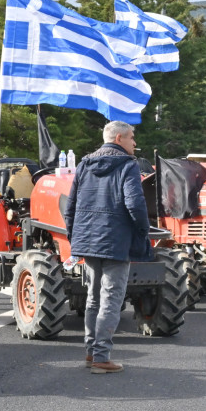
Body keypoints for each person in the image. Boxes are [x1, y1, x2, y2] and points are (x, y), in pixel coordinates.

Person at [64, 121, 153, 375]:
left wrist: (75, 237)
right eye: (131, 138)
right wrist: (142, 232)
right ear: (118, 139)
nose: (134, 143)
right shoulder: (127, 165)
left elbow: (70, 207)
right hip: (115, 242)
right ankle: (102, 357)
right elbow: (135, 205)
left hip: (88, 241)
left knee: (93, 298)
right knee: (111, 300)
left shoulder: (84, 164)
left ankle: (92, 353)